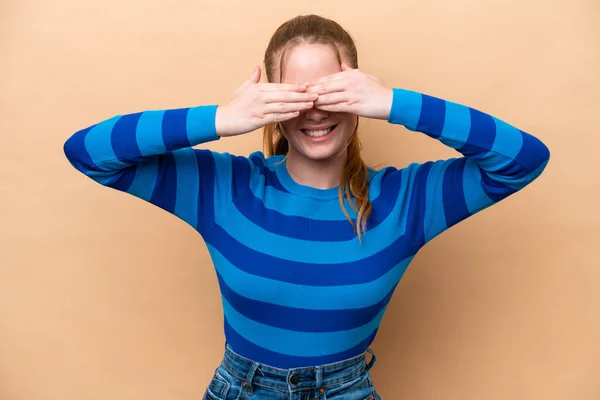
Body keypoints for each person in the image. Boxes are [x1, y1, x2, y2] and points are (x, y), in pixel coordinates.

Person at [63, 14, 550, 400]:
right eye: (296, 95)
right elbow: (89, 152)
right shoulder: (225, 187)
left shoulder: (407, 202)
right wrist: (222, 118)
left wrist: (395, 102)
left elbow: (523, 160)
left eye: (331, 92)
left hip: (348, 390)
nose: (315, 111)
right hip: (242, 391)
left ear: (357, 95)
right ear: (269, 99)